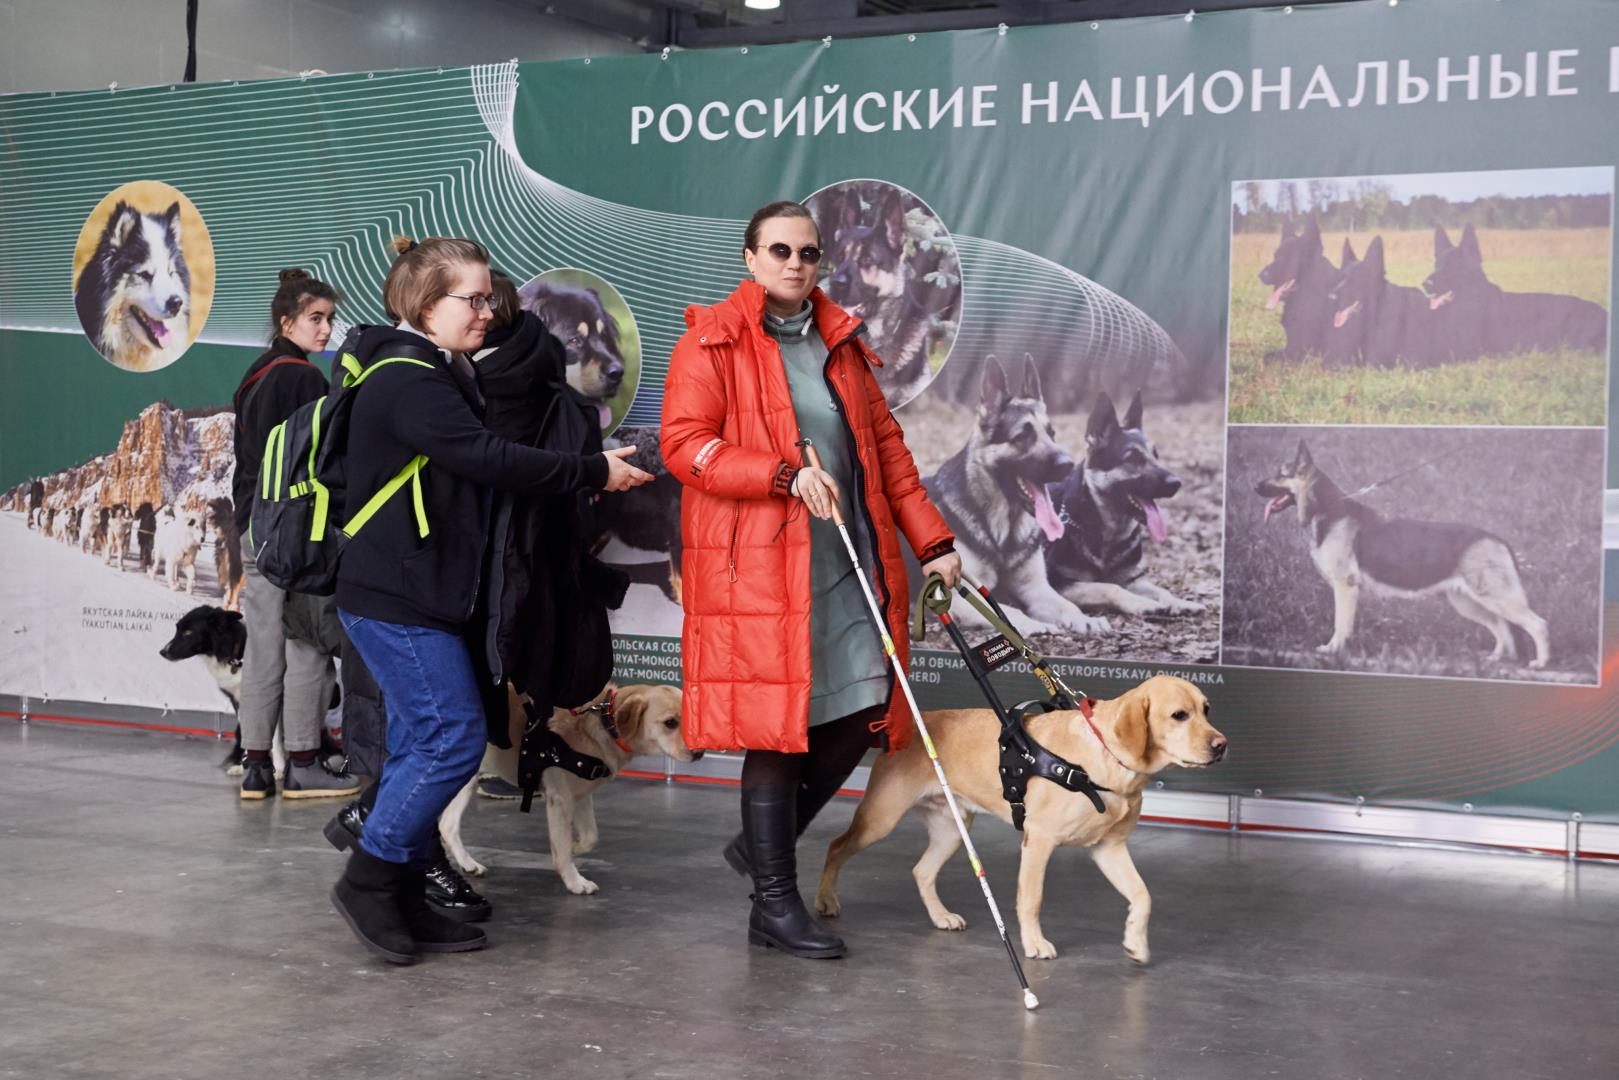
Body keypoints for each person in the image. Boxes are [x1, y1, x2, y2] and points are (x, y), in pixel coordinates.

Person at [329, 237, 650, 965]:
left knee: (420, 742)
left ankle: (407, 888)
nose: (487, 311)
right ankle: (370, 876)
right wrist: (589, 468)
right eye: (470, 300)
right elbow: (488, 458)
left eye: (485, 298)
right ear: (422, 305)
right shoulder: (406, 378)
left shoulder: (443, 371)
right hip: (396, 595)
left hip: (422, 592)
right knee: (449, 740)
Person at [660, 201, 960, 959]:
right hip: (760, 568)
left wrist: (934, 543)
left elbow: (886, 455)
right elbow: (683, 446)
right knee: (778, 729)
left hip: (846, 560)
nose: (795, 263)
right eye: (780, 250)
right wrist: (781, 475)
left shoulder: (841, 342)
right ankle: (772, 900)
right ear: (750, 257)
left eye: (809, 253)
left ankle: (764, 845)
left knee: (863, 710)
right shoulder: (710, 341)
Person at [230, 270, 360, 801]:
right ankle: (303, 762)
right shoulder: (305, 379)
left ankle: (256, 765)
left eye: (329, 319)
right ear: (288, 322)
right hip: (299, 530)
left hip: (252, 528)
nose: (326, 329)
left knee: (262, 650)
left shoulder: (255, 375)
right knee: (307, 645)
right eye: (316, 319)